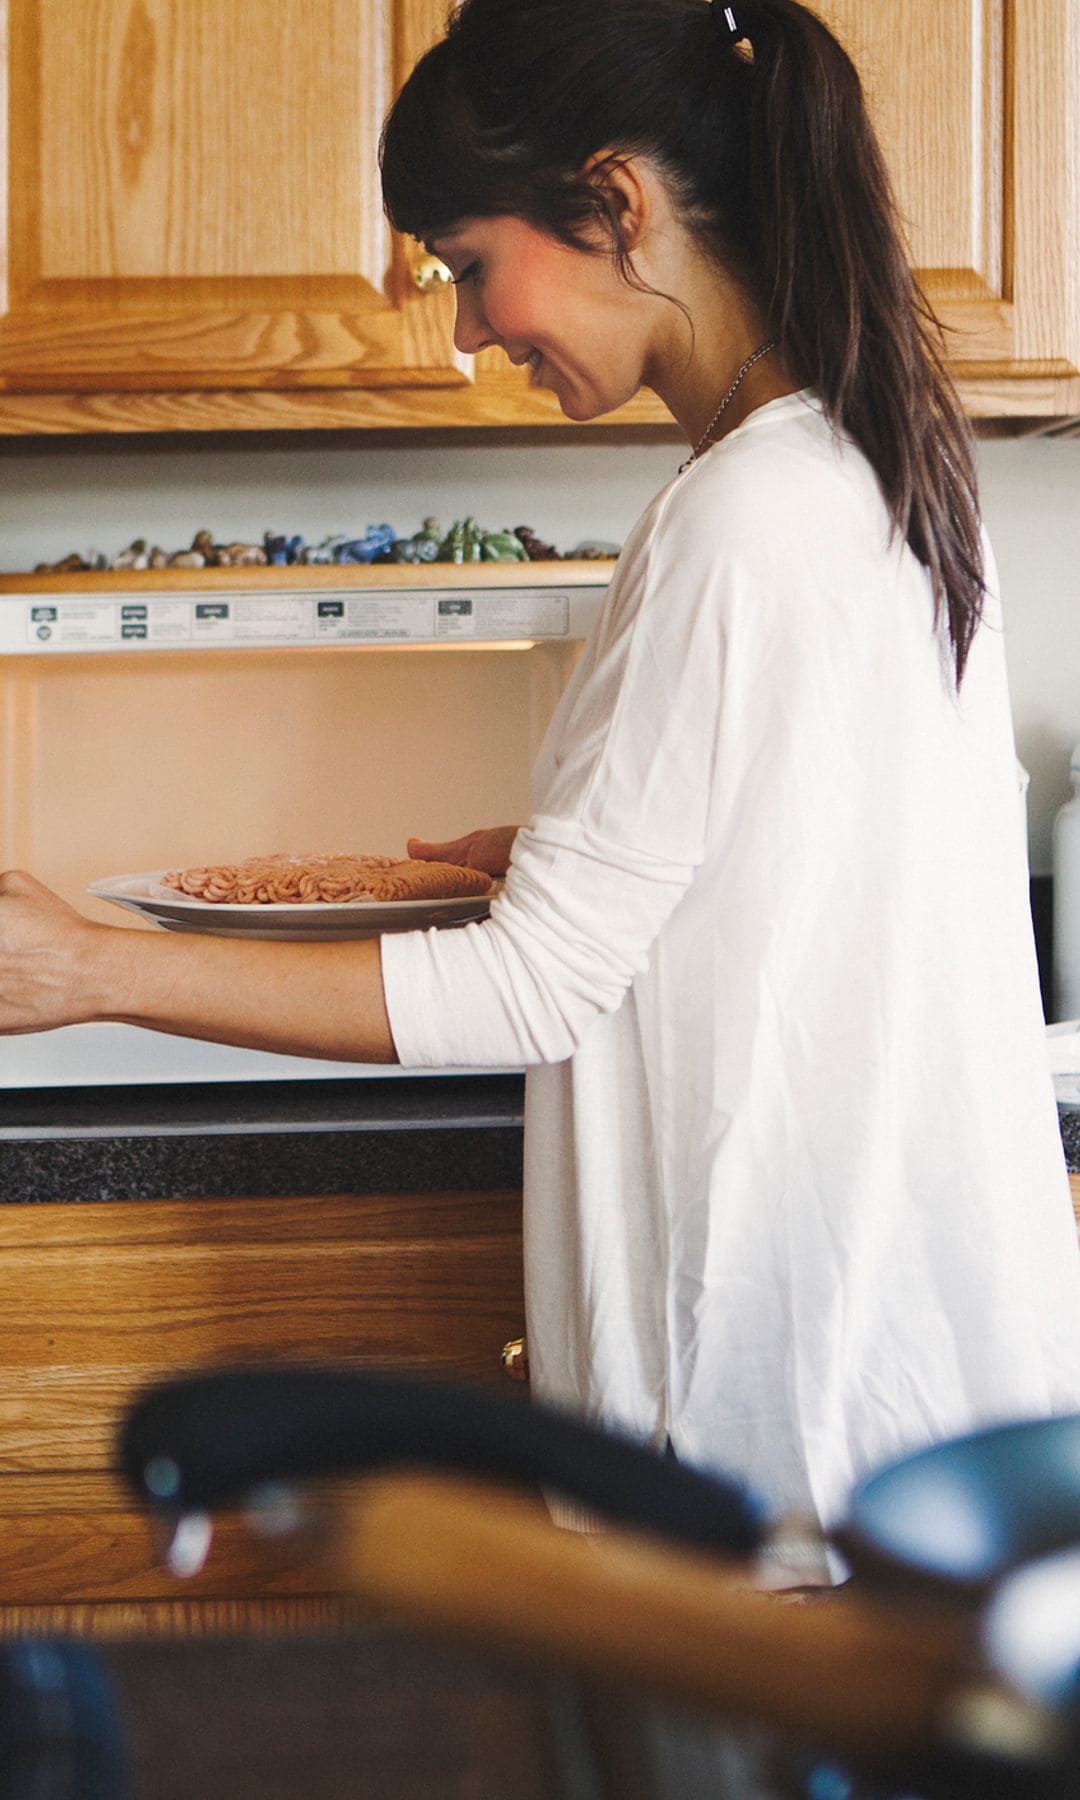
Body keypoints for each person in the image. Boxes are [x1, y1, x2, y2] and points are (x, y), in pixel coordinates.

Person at [2, 0, 1079, 1565]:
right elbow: (810, 851)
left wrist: (92, 966)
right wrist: (571, 851)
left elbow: (532, 995)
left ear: (616, 202)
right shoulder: (867, 465)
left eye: (466, 263)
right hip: (912, 1409)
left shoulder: (739, 520)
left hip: (786, 1426)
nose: (465, 330)